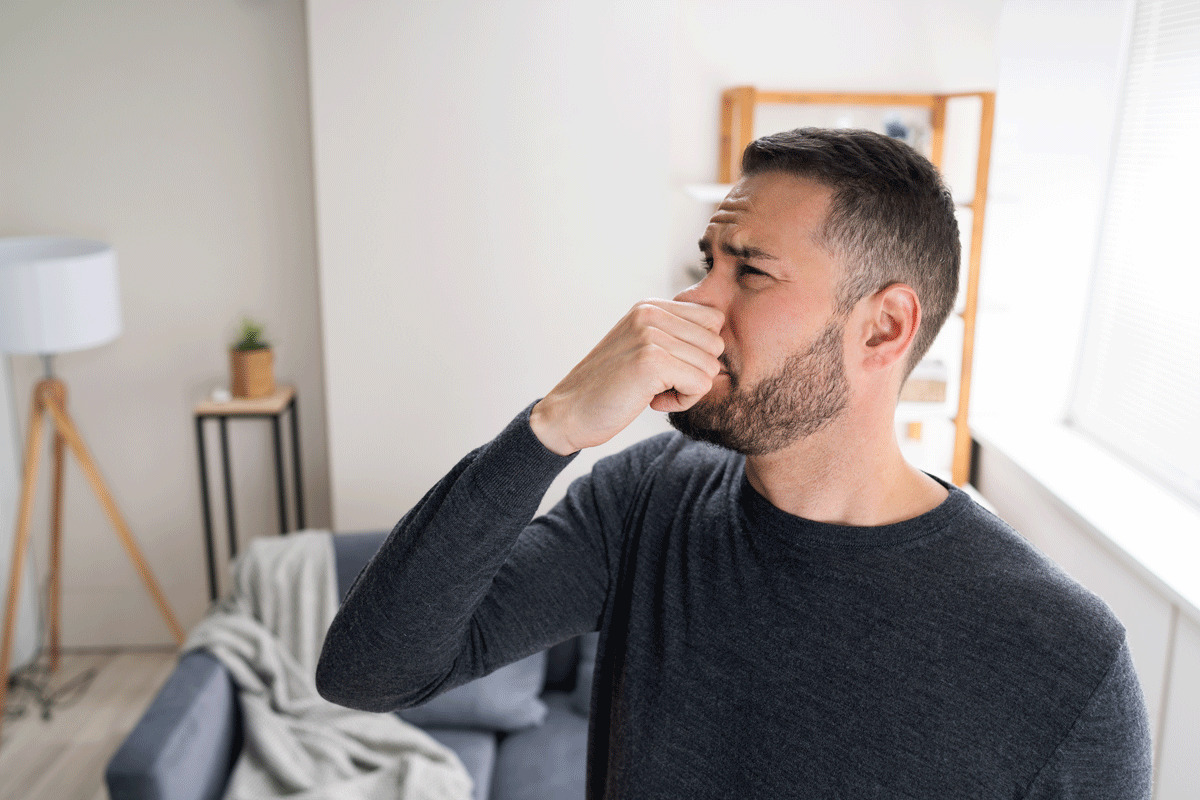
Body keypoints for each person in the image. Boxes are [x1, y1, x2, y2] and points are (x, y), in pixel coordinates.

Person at [316, 128, 1152, 798]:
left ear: (884, 330)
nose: (691, 304)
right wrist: (553, 425)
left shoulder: (1064, 659)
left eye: (749, 271)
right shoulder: (647, 498)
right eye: (704, 265)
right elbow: (369, 669)